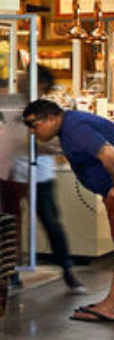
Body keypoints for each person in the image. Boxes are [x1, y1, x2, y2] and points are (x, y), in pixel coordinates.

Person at [20, 98, 114, 323]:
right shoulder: (70, 127)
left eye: (35, 125)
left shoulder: (74, 128)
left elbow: (110, 154)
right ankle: (111, 303)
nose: (32, 131)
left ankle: (111, 307)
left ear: (52, 118)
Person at [0, 69, 84, 294]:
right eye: (23, 79)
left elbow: (55, 142)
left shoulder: (49, 111)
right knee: (10, 225)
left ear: (42, 84)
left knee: (51, 222)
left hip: (40, 174)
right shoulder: (10, 104)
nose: (23, 83)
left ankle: (67, 271)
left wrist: (42, 146)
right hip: (11, 173)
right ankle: (12, 271)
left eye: (29, 79)